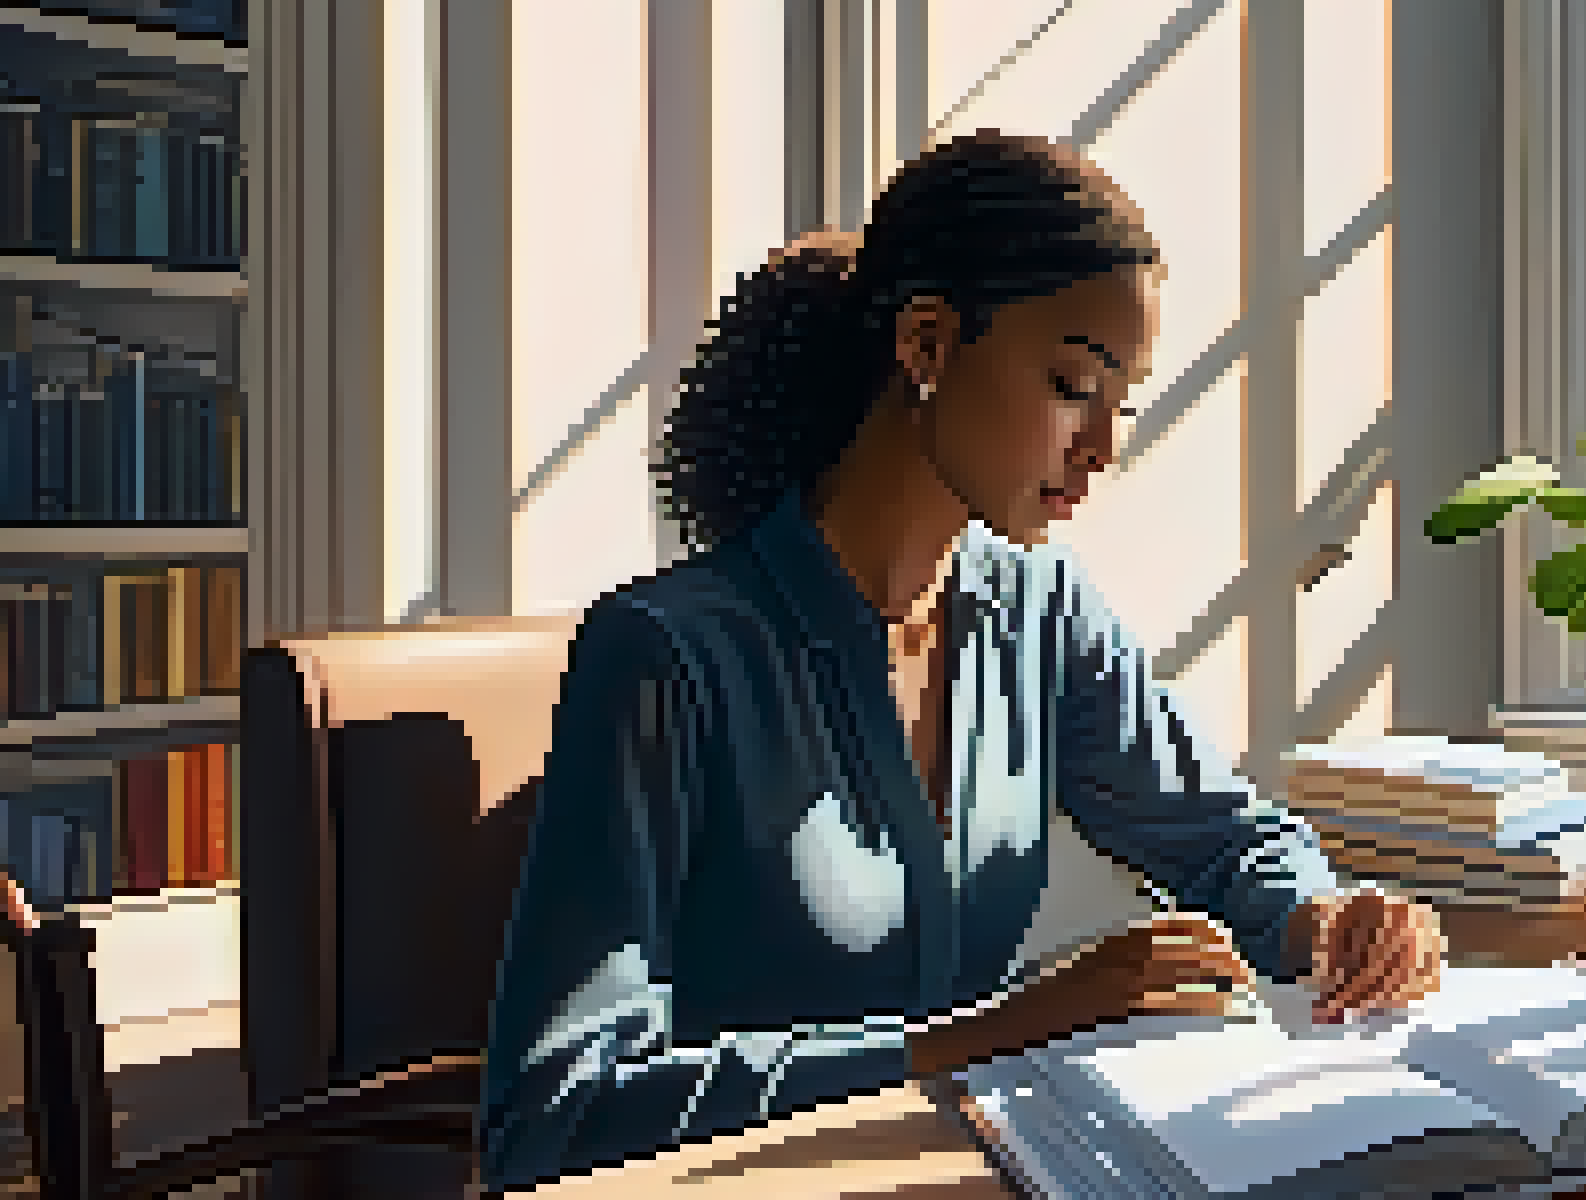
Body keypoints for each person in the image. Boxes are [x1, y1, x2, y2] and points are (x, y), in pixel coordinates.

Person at [476, 129, 1446, 1192]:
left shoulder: (1038, 611)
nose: (1102, 448)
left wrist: (1327, 918)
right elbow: (553, 1118)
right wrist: (993, 1033)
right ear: (930, 345)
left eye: (1124, 403)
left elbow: (1218, 837)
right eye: (1075, 384)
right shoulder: (668, 658)